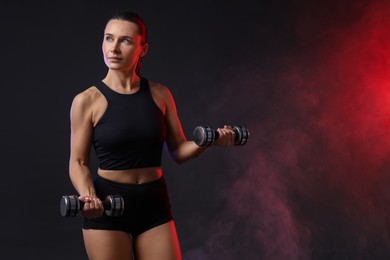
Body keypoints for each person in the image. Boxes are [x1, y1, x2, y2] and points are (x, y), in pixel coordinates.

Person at [69, 11, 236, 260]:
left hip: (154, 204)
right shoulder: (86, 101)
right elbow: (78, 162)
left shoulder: (160, 94)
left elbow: (179, 150)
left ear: (142, 49)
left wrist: (209, 140)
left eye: (124, 40)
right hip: (107, 206)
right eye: (108, 38)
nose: (113, 48)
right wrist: (89, 196)